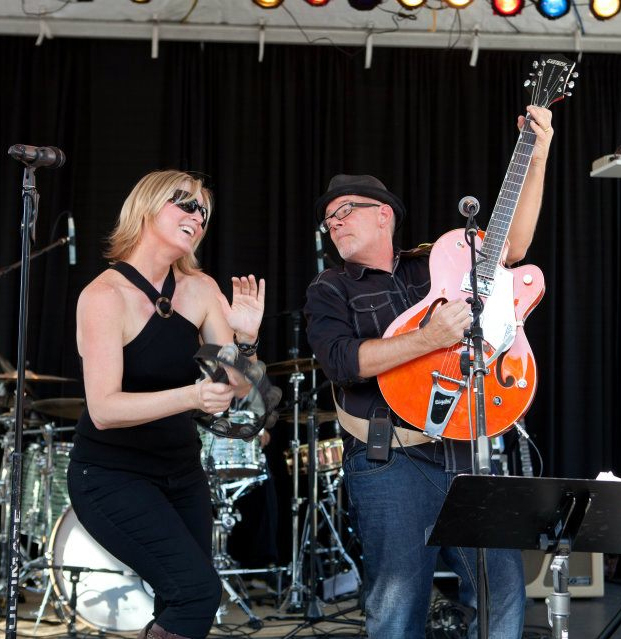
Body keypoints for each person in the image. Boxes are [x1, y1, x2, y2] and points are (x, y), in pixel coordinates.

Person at [304, 106, 554, 639]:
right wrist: (428, 339)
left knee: (502, 590)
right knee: (398, 608)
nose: (334, 222)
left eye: (344, 210)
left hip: (468, 451)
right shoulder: (330, 287)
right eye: (329, 219)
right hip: (389, 457)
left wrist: (538, 152)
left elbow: (511, 248)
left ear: (383, 214)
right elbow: (342, 363)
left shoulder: (437, 261)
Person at [67, 170, 265, 639]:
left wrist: (247, 340)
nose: (198, 216)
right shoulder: (104, 296)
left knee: (185, 602)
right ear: (147, 206)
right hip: (110, 475)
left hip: (181, 471)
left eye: (204, 212)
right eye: (186, 203)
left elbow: (240, 389)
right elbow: (104, 410)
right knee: (197, 592)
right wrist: (192, 396)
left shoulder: (200, 288)